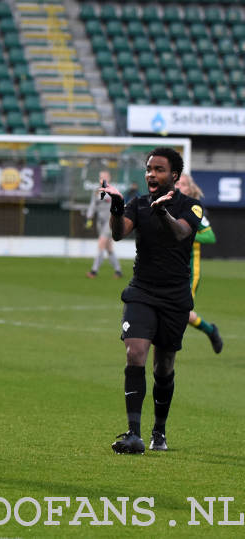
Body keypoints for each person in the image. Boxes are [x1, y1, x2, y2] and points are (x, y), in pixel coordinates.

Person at [100, 147, 202, 454]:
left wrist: (163, 212)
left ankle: (160, 430)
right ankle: (134, 433)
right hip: (142, 292)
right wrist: (117, 208)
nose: (151, 174)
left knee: (164, 367)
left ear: (174, 175)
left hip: (174, 297)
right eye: (148, 169)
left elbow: (181, 233)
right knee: (135, 352)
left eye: (158, 169)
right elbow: (119, 234)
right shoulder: (138, 204)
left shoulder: (191, 206)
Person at [175, 173, 223, 354]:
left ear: (190, 189)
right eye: (177, 183)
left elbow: (210, 236)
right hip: (169, 268)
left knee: (179, 310)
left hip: (188, 272)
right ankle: (210, 330)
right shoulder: (165, 207)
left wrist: (186, 233)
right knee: (178, 311)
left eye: (183, 184)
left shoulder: (194, 210)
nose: (179, 186)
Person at [86, 170, 123, 279]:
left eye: (105, 177)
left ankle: (94, 271)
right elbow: (92, 205)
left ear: (109, 178)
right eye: (101, 177)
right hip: (100, 222)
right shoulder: (97, 192)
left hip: (110, 222)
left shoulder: (114, 191)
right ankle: (118, 271)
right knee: (109, 248)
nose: (103, 179)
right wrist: (89, 216)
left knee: (101, 244)